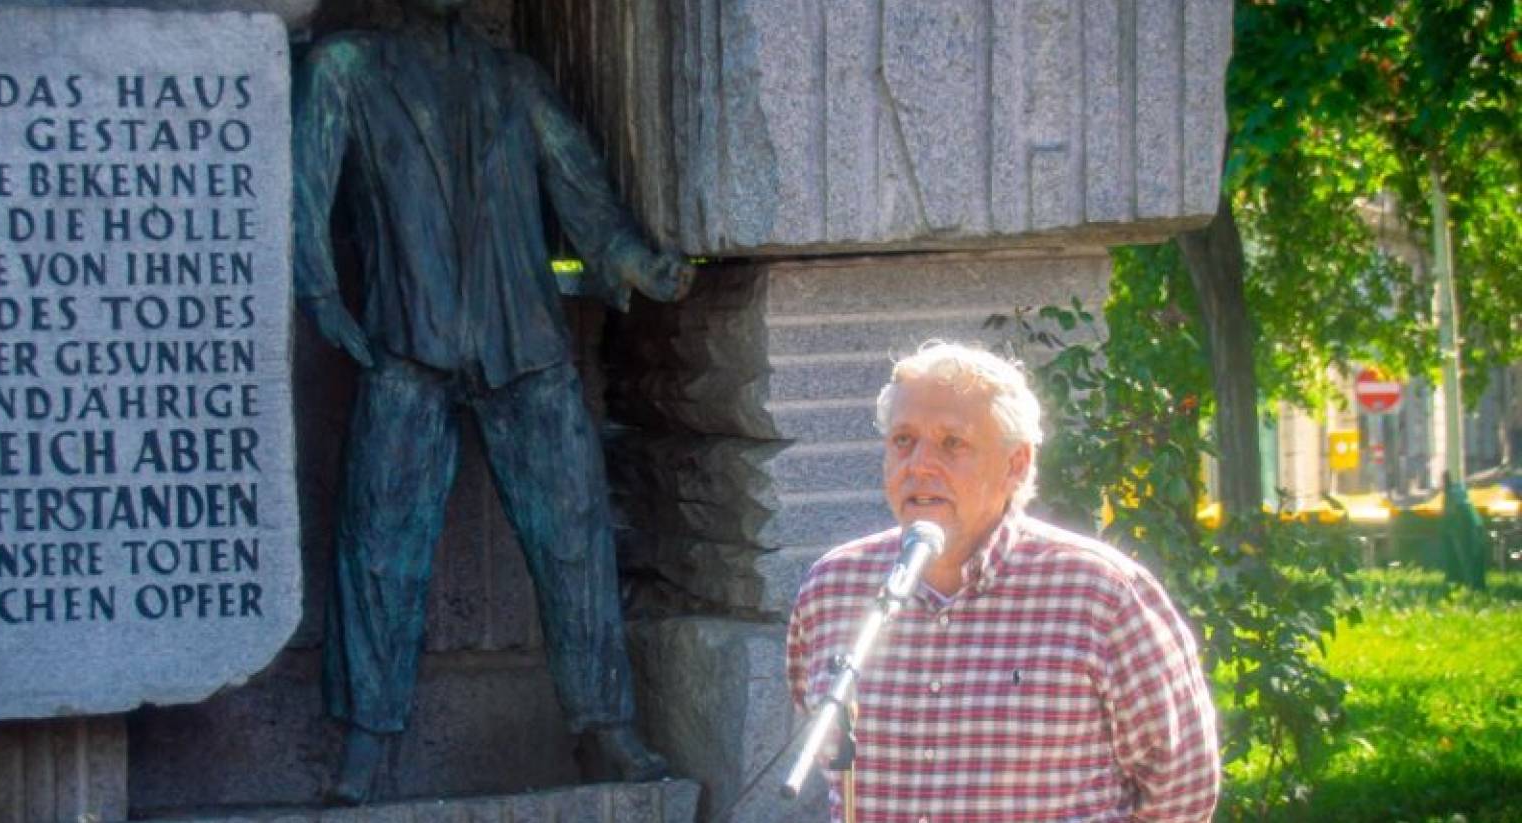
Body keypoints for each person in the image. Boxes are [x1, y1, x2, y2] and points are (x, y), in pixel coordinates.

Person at [291, 0, 692, 805]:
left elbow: (577, 181)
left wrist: (630, 259)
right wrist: (322, 291)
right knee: (379, 542)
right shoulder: (347, 68)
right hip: (409, 337)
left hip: (525, 338)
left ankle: (604, 724)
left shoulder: (515, 79)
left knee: (574, 534)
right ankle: (366, 742)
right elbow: (303, 185)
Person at [785, 343, 1220, 822]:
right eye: (903, 441)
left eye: (953, 443)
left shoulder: (1100, 594)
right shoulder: (834, 588)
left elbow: (1182, 790)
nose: (919, 465)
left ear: (1015, 464)